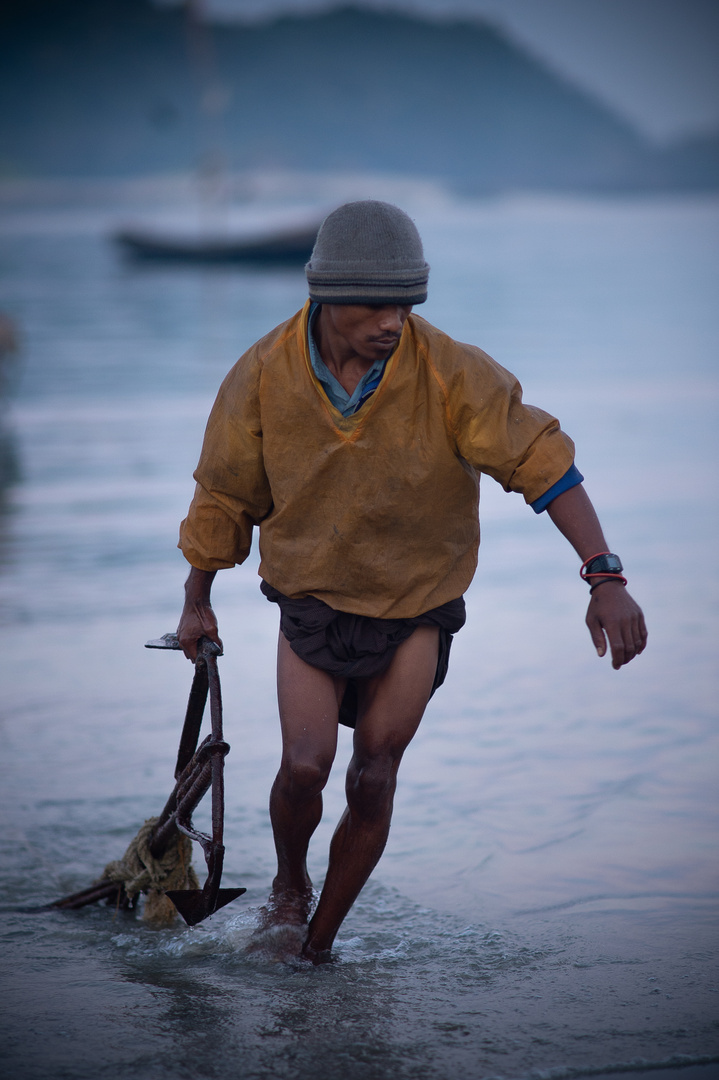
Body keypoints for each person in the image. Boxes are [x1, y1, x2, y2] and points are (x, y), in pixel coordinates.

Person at [176, 200, 647, 963]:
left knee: (374, 771)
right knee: (304, 767)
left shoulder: (452, 371)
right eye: (373, 305)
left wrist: (604, 576)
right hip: (312, 596)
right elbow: (224, 495)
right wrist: (196, 603)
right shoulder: (261, 374)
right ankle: (289, 886)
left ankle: (317, 945)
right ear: (323, 295)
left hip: (417, 600)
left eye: (405, 304)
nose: (392, 322)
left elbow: (543, 465)